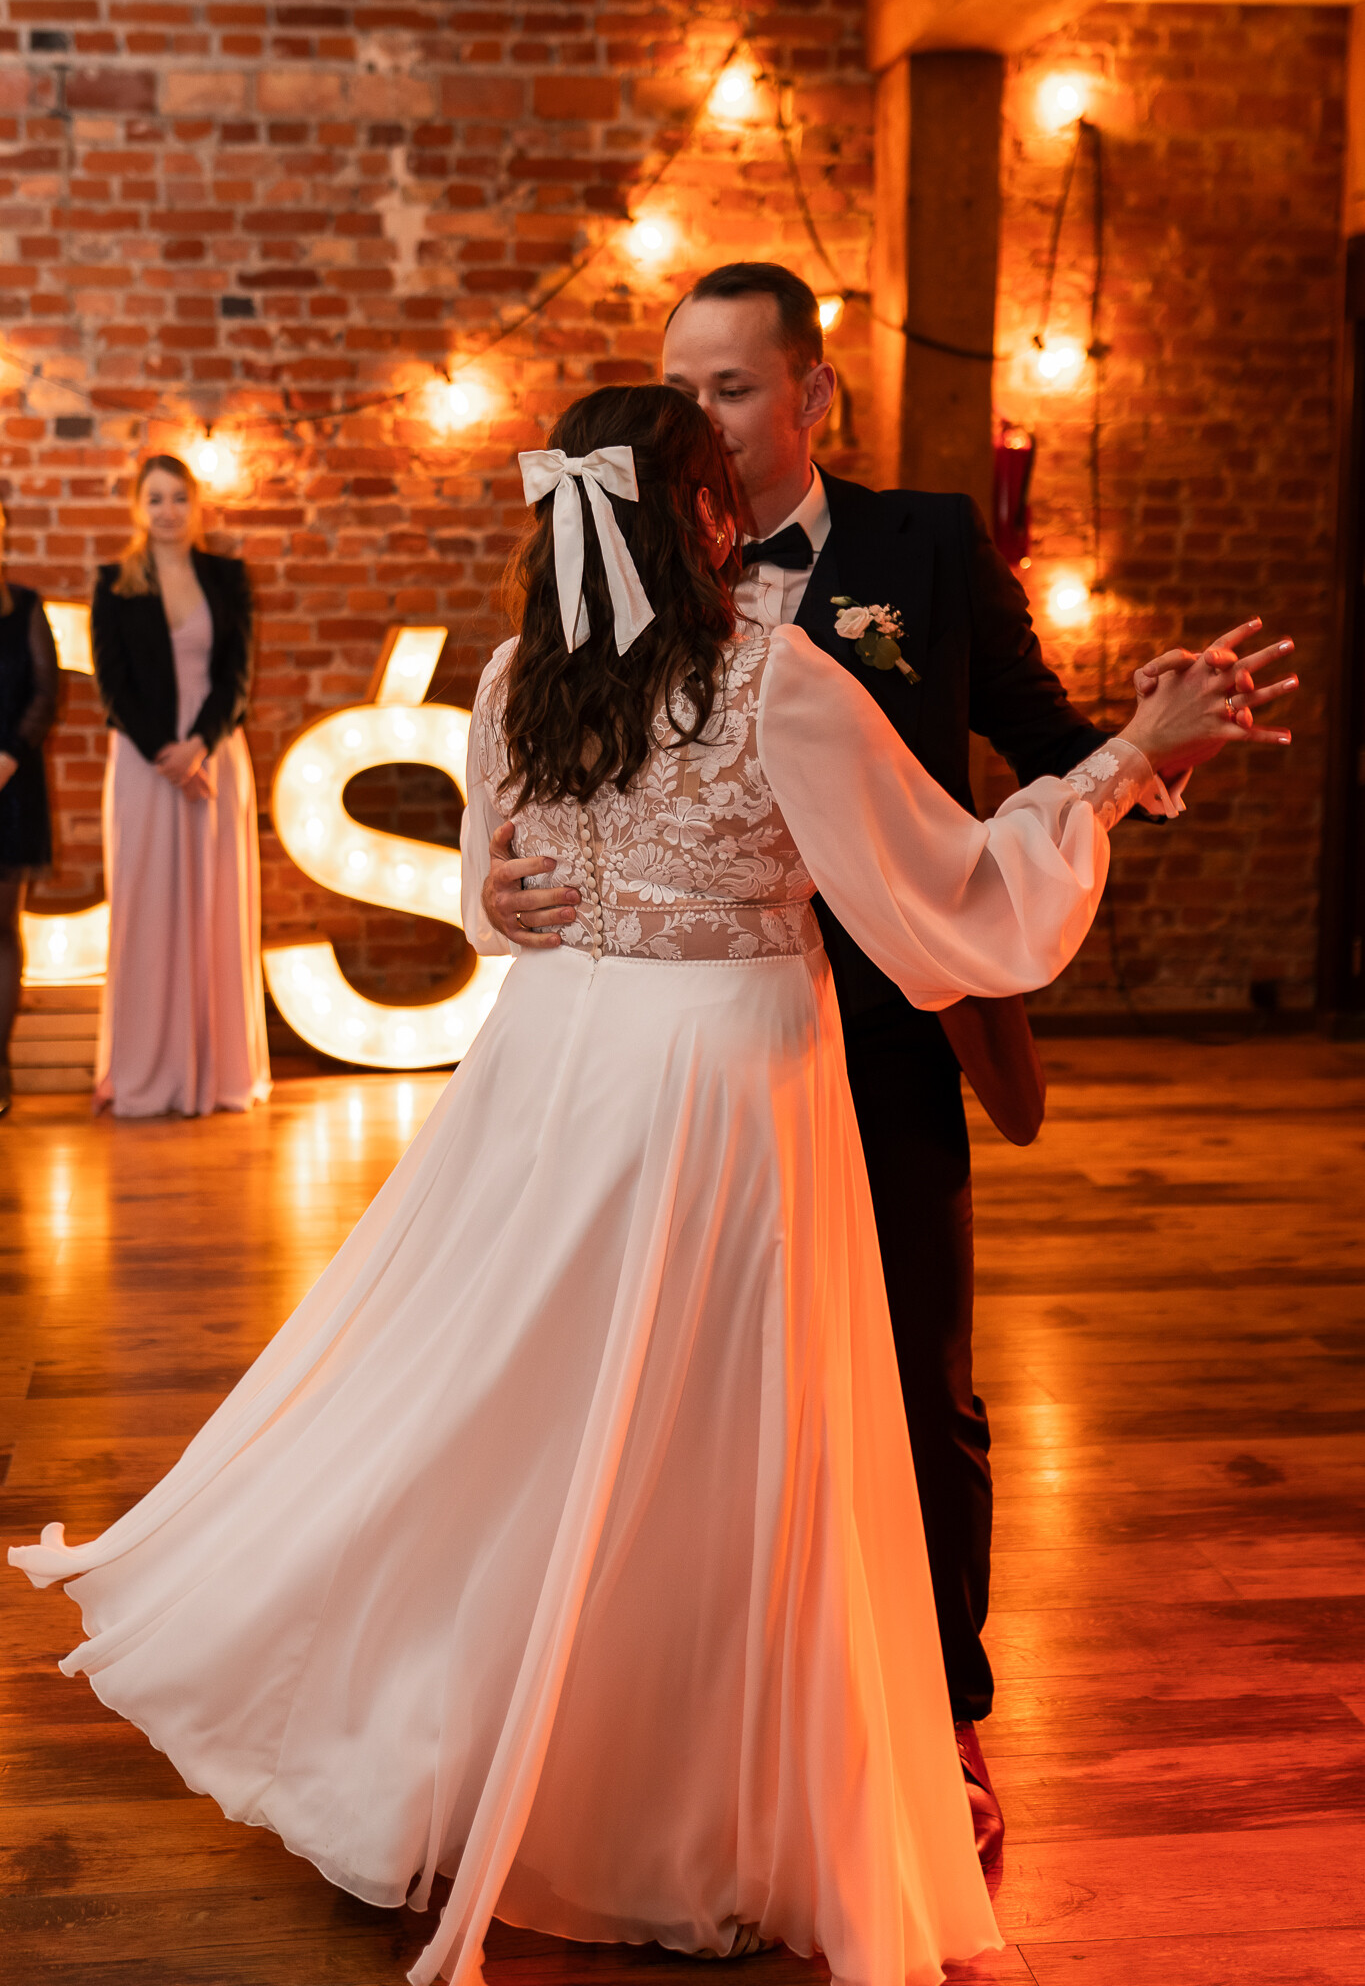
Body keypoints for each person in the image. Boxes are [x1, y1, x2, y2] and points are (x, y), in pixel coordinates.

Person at [11, 386, 1293, 1986]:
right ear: (698, 518)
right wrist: (1130, 761)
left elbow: (489, 903)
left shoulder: (514, 678)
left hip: (552, 1067)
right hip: (724, 1081)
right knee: (714, 1435)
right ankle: (690, 1810)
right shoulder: (775, 677)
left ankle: (487, 1750)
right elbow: (955, 891)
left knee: (529, 1409)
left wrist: (520, 902)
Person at [479, 265, 1297, 1859]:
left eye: (729, 389)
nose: (704, 420)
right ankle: (684, 1712)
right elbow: (533, 834)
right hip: (692, 1052)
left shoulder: (921, 543)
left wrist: (1145, 747)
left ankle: (941, 1710)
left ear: (810, 397)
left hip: (884, 1020)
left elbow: (1035, 743)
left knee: (918, 1387)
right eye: (680, 391)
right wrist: (506, 899)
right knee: (683, 1389)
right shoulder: (591, 633)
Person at [89, 453, 270, 1118]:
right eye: (155, 499)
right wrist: (168, 758)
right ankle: (146, 1071)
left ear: (196, 506)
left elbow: (237, 677)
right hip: (144, 765)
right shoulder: (114, 583)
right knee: (147, 910)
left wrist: (198, 748)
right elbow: (113, 686)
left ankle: (219, 1074)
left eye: (178, 498)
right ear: (138, 508)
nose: (168, 511)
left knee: (216, 908)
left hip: (215, 756)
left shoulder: (227, 577)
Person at [0, 504, 59, 1119]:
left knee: (2, 931)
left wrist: (9, 755)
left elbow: (46, 692)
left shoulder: (25, 608)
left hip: (11, 789)